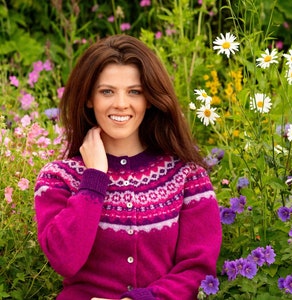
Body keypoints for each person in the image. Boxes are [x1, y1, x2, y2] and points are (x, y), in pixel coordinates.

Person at [34, 34, 222, 300]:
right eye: (107, 91)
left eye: (135, 91)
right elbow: (65, 260)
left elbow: (197, 269)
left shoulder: (187, 176)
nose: (121, 103)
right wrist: (94, 178)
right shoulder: (58, 179)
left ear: (149, 99)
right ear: (89, 98)